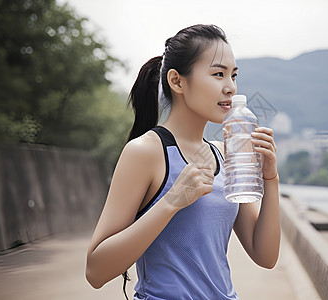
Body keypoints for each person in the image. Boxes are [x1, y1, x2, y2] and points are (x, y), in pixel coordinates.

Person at [85, 24, 280, 300]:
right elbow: (95, 271)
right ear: (177, 81)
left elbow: (266, 255)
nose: (230, 87)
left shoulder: (224, 155)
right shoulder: (145, 152)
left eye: (234, 76)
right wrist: (171, 202)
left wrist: (271, 180)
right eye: (218, 74)